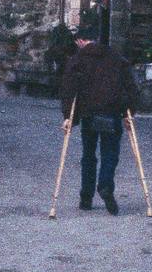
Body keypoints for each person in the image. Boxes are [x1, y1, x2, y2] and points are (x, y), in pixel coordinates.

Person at [58, 25, 138, 214]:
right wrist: (129, 113)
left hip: (89, 114)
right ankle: (105, 186)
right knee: (110, 153)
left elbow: (69, 90)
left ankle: (86, 198)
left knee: (89, 155)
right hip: (111, 113)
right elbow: (131, 88)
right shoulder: (116, 58)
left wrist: (68, 117)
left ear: (80, 41)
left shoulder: (77, 60)